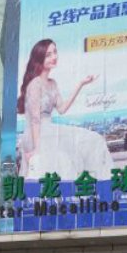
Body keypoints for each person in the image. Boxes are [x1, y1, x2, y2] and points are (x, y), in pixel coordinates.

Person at [16, 39, 113, 179]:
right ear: (39, 58)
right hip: (36, 134)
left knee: (93, 140)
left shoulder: (52, 83)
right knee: (64, 162)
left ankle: (102, 184)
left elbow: (62, 109)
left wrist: (81, 84)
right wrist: (37, 149)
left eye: (55, 52)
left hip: (48, 131)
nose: (54, 57)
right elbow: (35, 120)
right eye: (48, 54)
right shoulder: (35, 85)